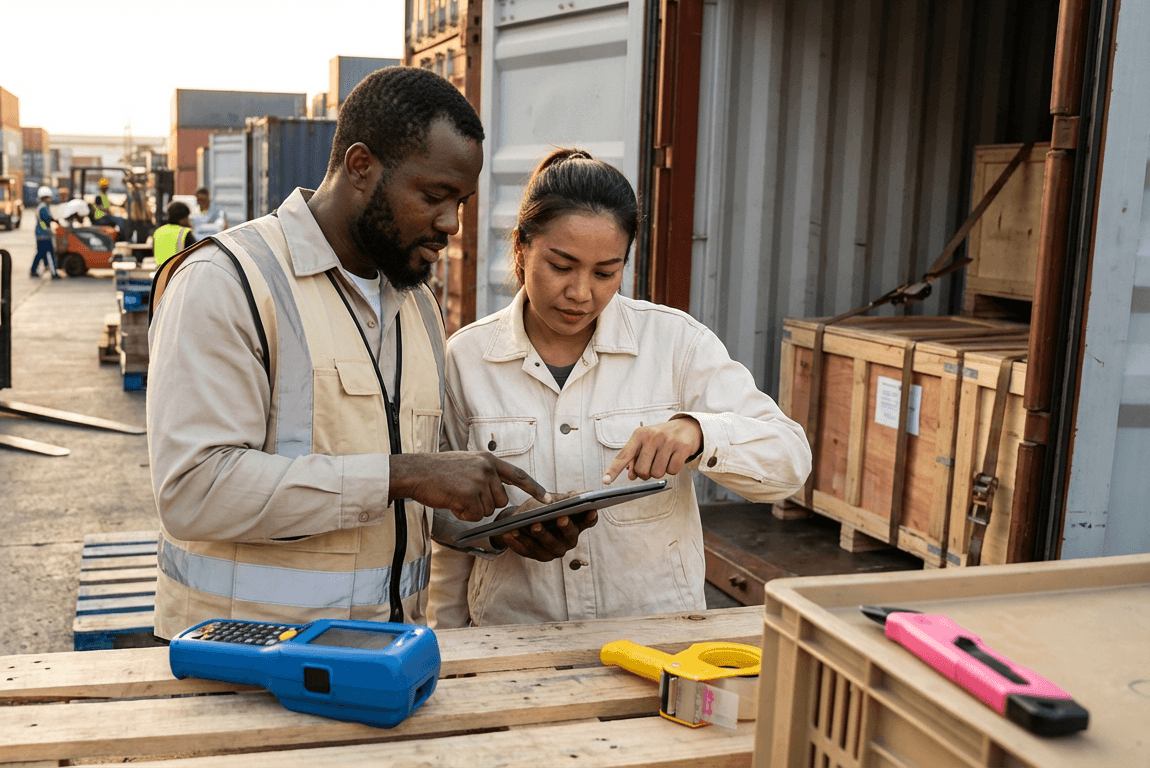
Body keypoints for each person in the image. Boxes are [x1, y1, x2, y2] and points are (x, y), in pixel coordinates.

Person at [145, 67, 568, 639]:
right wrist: (404, 474)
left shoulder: (416, 304)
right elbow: (193, 492)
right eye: (434, 197)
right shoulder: (226, 282)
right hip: (242, 663)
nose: (451, 223)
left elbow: (407, 499)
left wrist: (500, 526)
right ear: (361, 166)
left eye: (462, 202)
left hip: (384, 658)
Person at [429, 148, 813, 629]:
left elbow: (790, 463)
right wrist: (496, 536)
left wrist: (698, 433)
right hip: (516, 639)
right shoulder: (465, 360)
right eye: (562, 266)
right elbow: (441, 524)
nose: (581, 292)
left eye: (605, 272)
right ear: (522, 248)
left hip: (658, 639)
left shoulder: (676, 344)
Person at [152, 201, 196, 266]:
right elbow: (195, 254)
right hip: (179, 270)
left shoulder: (158, 231)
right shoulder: (184, 232)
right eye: (187, 217)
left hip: (160, 270)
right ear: (183, 218)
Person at [30, 186, 59, 279]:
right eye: (47, 198)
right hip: (44, 235)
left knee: (40, 253)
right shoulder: (43, 208)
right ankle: (54, 273)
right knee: (50, 254)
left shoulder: (42, 207)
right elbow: (47, 219)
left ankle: (33, 270)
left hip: (41, 234)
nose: (49, 200)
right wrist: (56, 220)